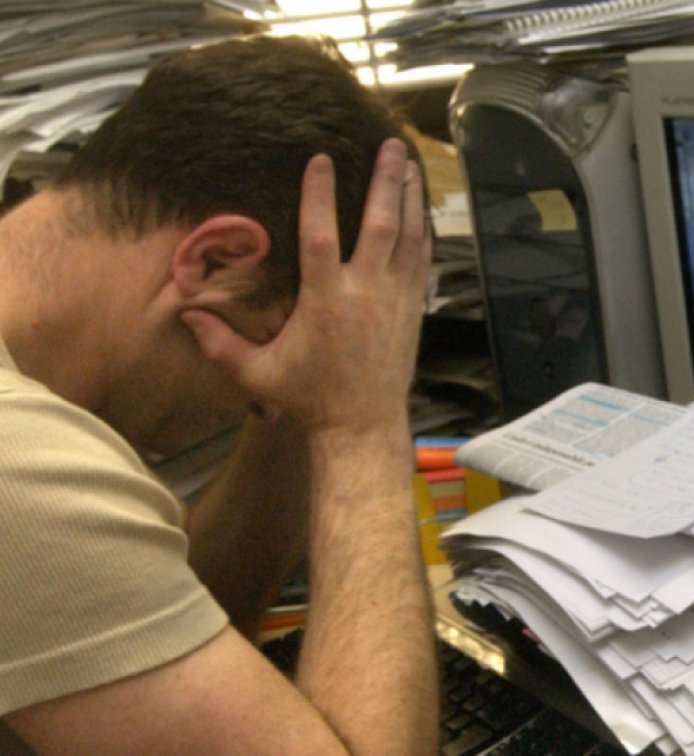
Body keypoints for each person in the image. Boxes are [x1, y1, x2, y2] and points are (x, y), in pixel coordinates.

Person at [0, 35, 438, 753]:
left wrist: (301, 406)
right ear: (217, 260)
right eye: (277, 344)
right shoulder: (20, 468)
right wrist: (359, 423)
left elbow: (181, 618)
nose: (263, 386)